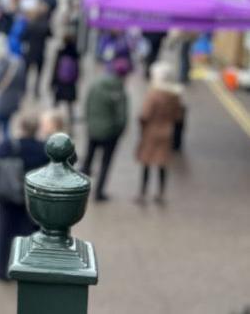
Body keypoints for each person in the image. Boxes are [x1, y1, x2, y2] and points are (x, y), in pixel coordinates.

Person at [0, 112, 49, 280]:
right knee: (30, 234)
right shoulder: (42, 148)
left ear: (21, 127)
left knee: (4, 235)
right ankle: (26, 269)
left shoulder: (9, 146)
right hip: (31, 198)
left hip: (8, 198)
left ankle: (2, 271)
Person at [81, 56, 131, 201]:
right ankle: (99, 192)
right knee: (105, 163)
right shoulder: (119, 91)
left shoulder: (96, 84)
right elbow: (122, 117)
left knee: (88, 160)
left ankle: (80, 189)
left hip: (93, 129)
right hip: (110, 133)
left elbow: (87, 103)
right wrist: (119, 131)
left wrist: (90, 123)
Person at [135, 62, 185, 204]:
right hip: (166, 131)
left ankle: (143, 192)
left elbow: (144, 115)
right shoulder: (175, 95)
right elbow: (178, 116)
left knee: (146, 163)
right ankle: (161, 193)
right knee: (162, 164)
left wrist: (142, 126)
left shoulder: (153, 94)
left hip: (151, 131)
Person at [0, 34, 27, 157]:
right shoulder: (19, 63)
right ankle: (7, 152)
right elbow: (23, 85)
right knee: (6, 128)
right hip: (13, 101)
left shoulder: (1, 63)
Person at [50, 34, 81, 126]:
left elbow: (55, 68)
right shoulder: (75, 53)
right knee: (70, 105)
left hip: (60, 82)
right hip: (70, 83)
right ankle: (71, 123)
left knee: (56, 103)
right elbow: (78, 70)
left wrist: (52, 82)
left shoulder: (60, 52)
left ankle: (54, 122)